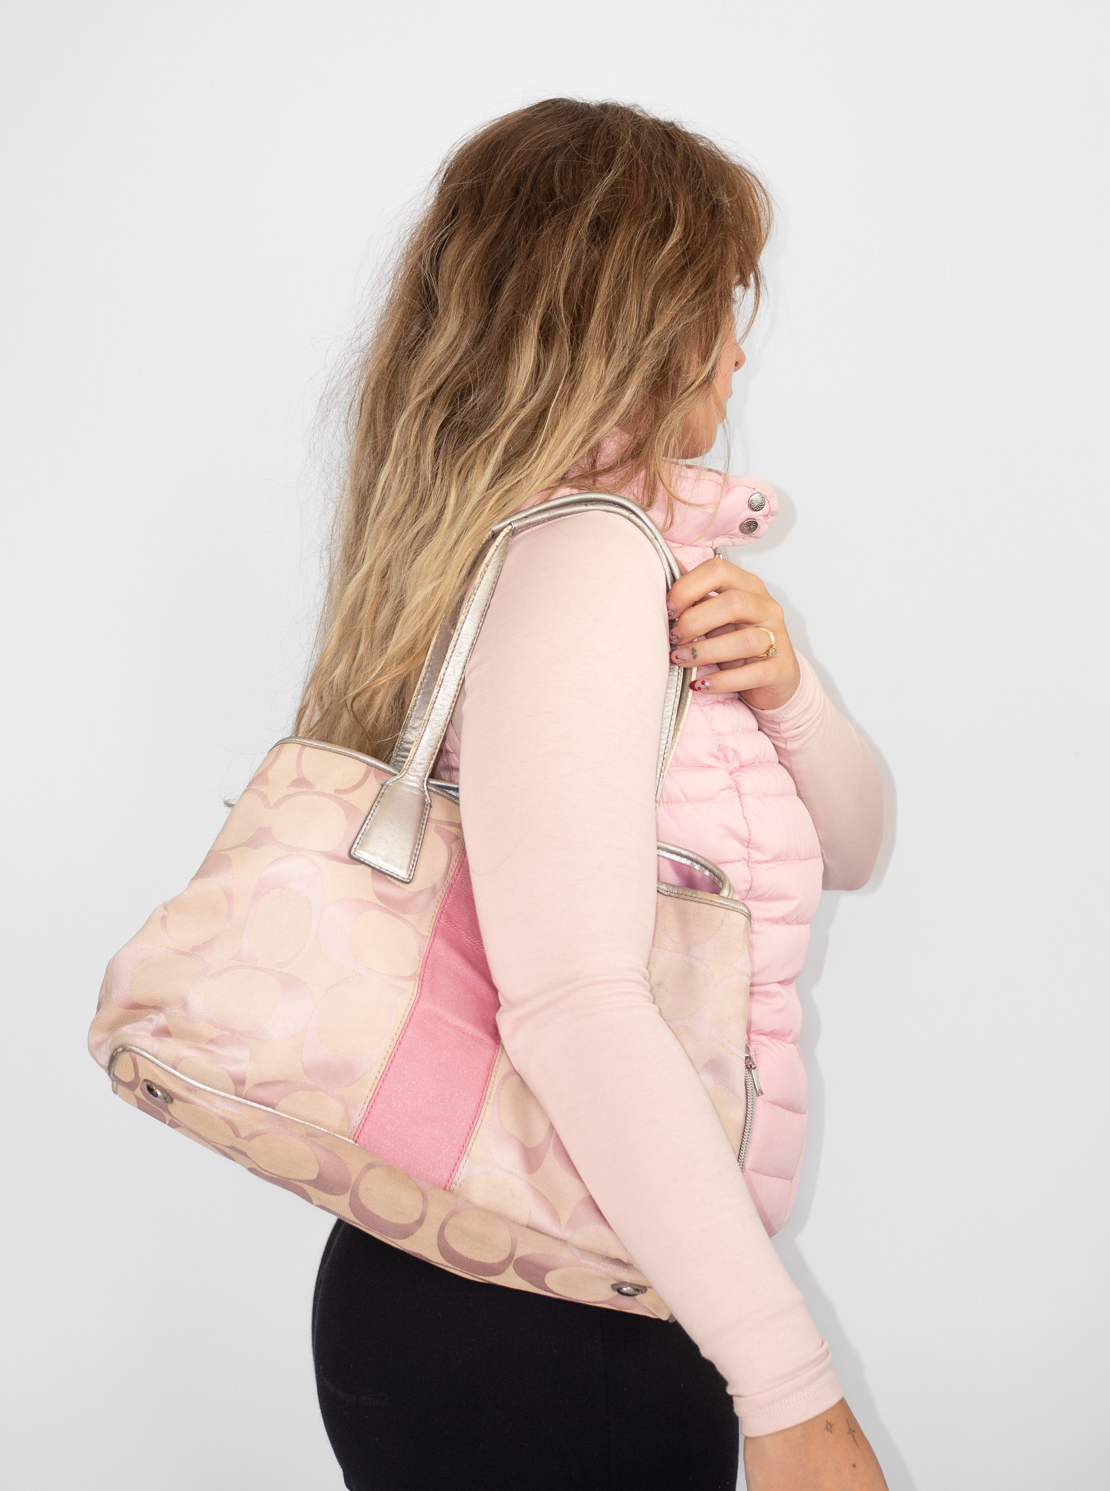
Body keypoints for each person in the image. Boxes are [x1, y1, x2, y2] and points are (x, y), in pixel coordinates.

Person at [297, 98, 887, 1491]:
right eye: (720, 301)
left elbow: (858, 849)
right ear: (636, 320)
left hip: (578, 1276)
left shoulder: (619, 561)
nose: (738, 345)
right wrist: (794, 1396)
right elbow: (570, 1000)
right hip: (539, 1316)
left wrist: (789, 689)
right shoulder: (584, 563)